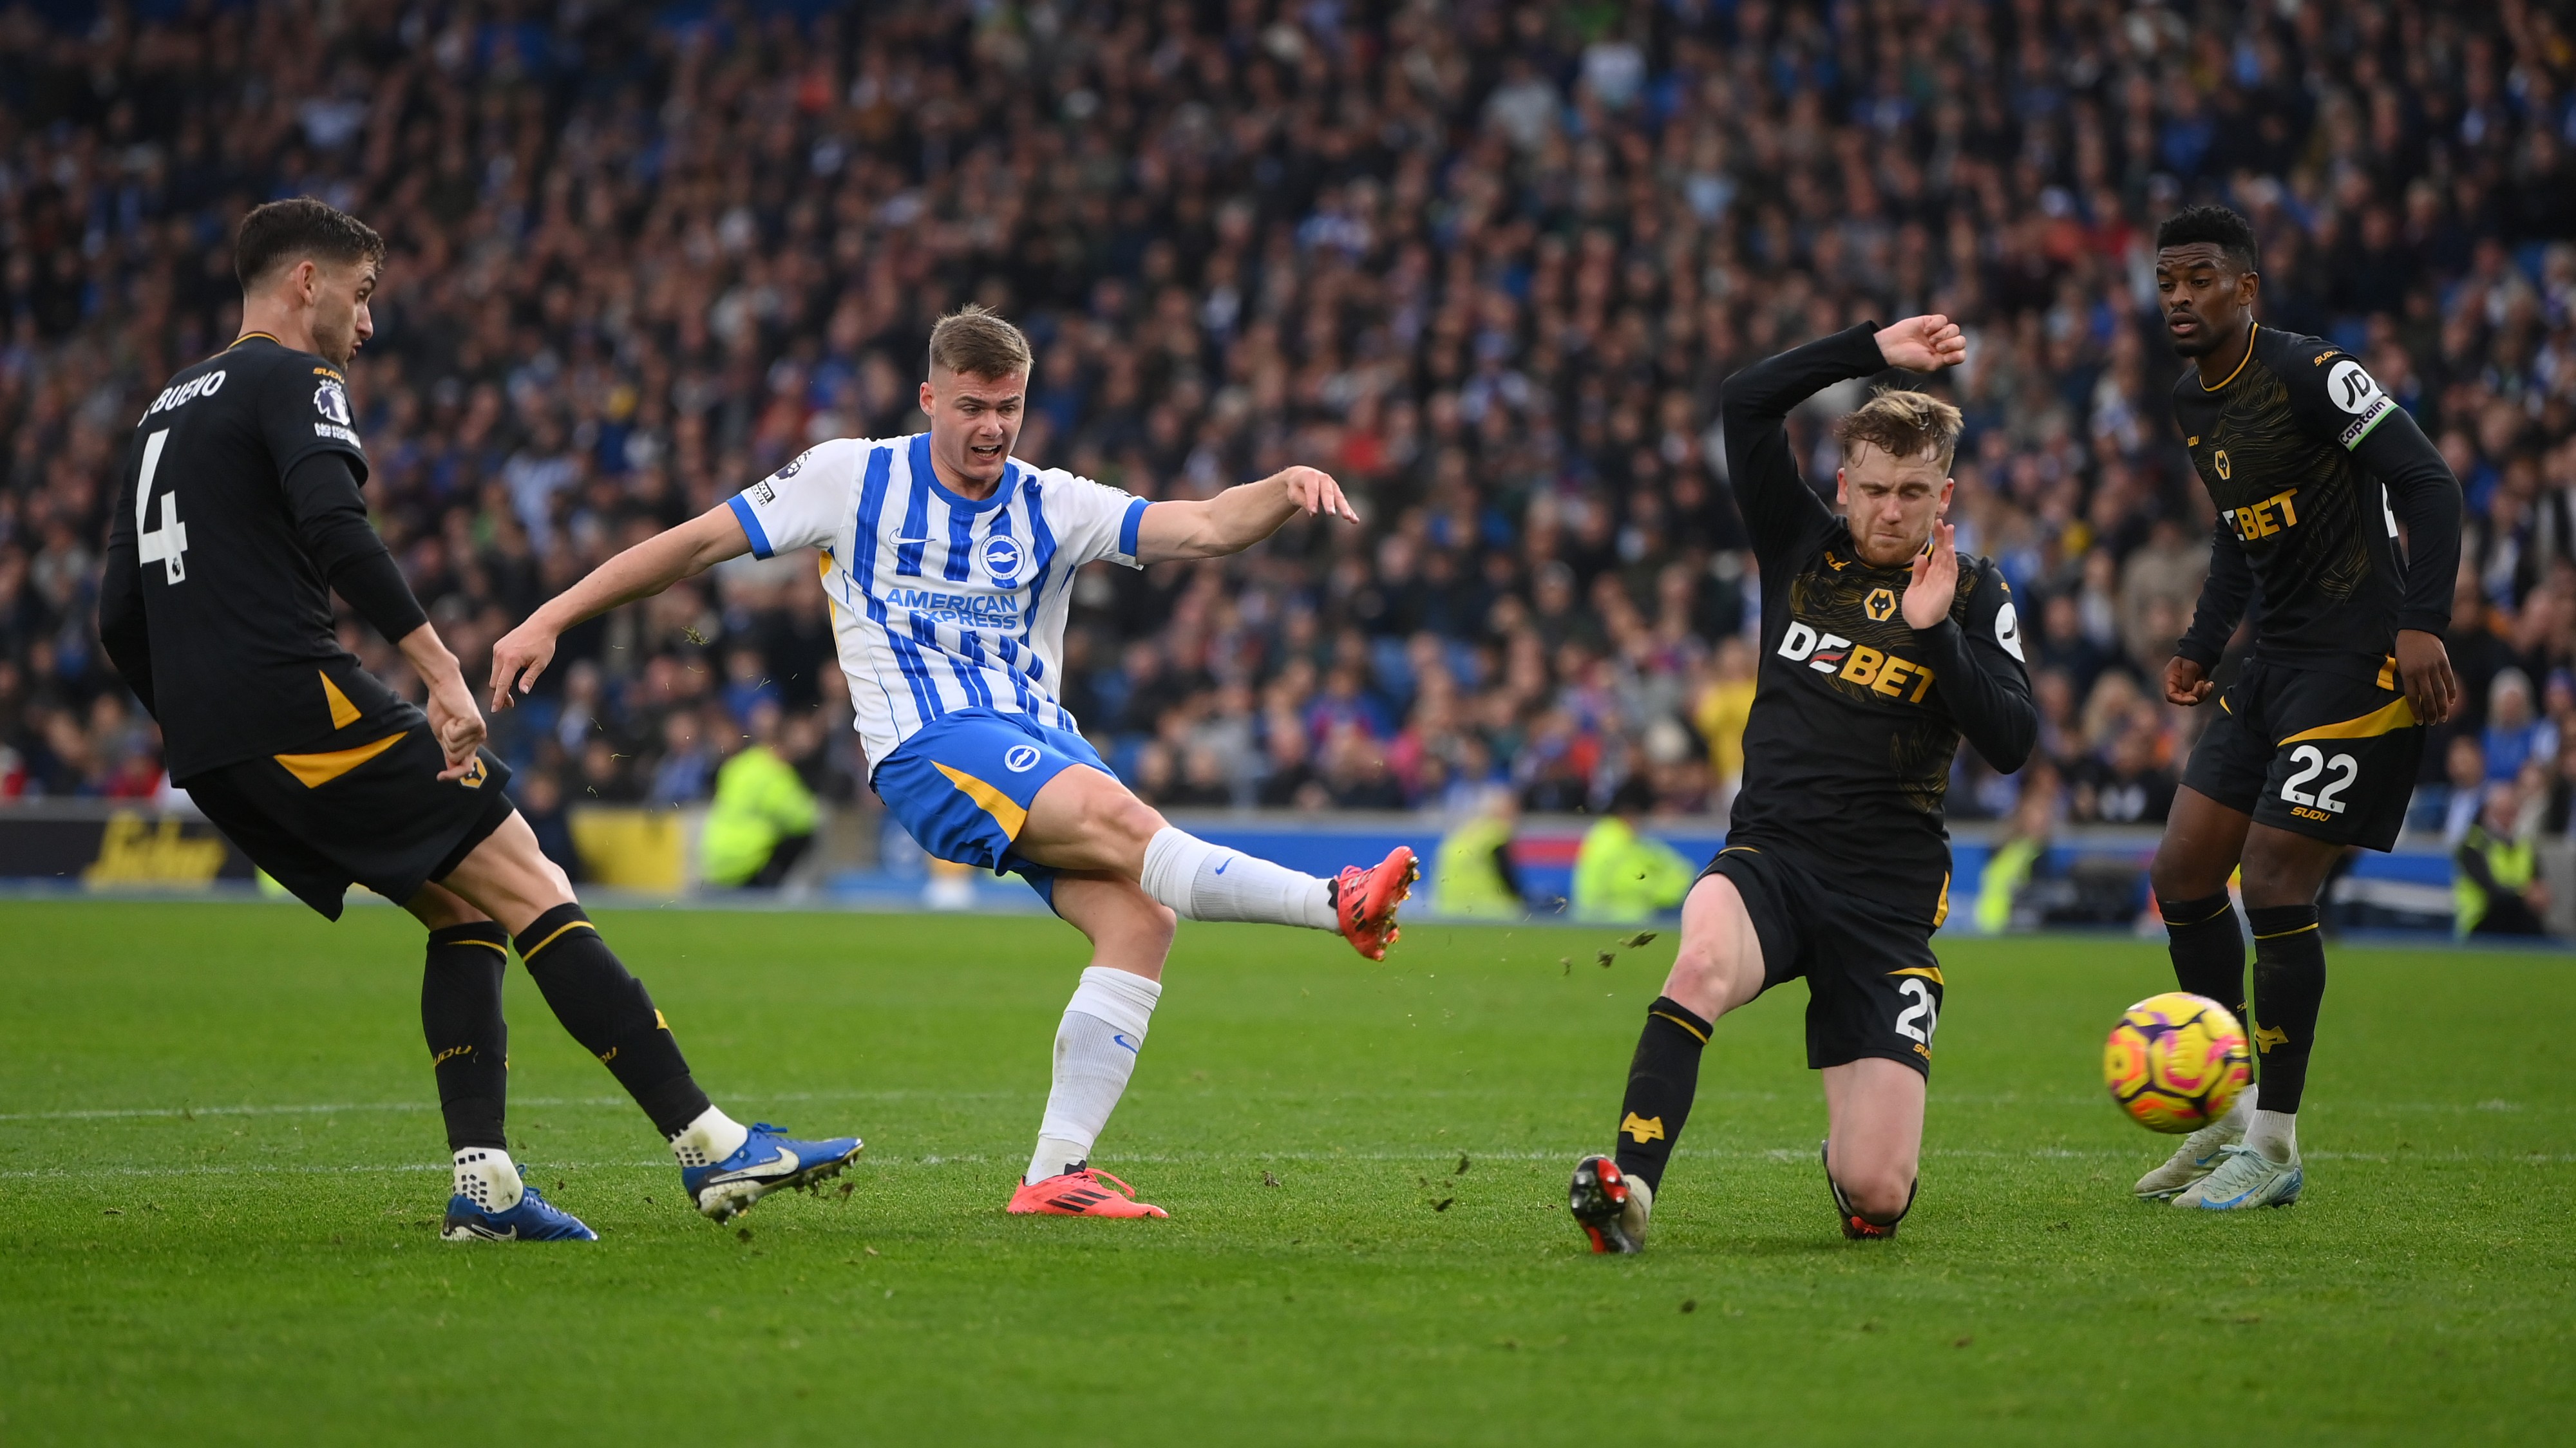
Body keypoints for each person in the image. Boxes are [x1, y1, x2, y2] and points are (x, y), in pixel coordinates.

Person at [488, 305, 1419, 1219]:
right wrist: (550, 617)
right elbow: (693, 545)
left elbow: (1207, 525)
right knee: (1128, 826)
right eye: (973, 406)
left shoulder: (1052, 499)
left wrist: (1285, 484)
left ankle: (1057, 1173)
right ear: (929, 397)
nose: (992, 427)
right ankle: (1333, 900)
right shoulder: (849, 477)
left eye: (1008, 407)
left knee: (1142, 921)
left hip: (1038, 741)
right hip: (931, 747)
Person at [94, 198, 859, 1243]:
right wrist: (437, 666)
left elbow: (115, 613)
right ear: (304, 281)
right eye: (362, 296)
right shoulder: (292, 377)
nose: (368, 326)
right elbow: (334, 524)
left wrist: (192, 723)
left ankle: (486, 1186)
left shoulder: (160, 414)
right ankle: (713, 1145)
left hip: (217, 743)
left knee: (462, 907)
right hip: (296, 700)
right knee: (530, 875)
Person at [1567, 315, 2035, 1252]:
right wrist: (1870, 349)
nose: (1890, 512)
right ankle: (1631, 1194)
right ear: (1842, 487)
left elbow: (2015, 741)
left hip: (1885, 902)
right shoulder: (1799, 549)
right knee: (1696, 961)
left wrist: (1937, 633)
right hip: (1771, 862)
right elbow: (1744, 399)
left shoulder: (1976, 596)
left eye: (1912, 494)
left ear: (1943, 497)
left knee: (1877, 1199)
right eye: (1873, 491)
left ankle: (1854, 1155)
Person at [2142, 205, 2463, 1211]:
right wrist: (2202, 642)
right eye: (2167, 283)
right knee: (2183, 872)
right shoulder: (2195, 403)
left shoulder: (2313, 374)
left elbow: (2429, 481)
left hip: (2360, 659)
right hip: (2273, 661)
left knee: (2274, 875)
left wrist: (2424, 622)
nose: (2181, 297)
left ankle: (2276, 1146)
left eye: (2200, 278)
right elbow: (2242, 535)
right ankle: (2229, 1117)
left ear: (2247, 289)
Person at [700, 701, 820, 889]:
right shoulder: (774, 771)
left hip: (716, 858)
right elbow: (804, 819)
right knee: (807, 834)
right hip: (746, 860)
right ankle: (775, 889)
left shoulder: (738, 764)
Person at [1569, 776, 1694, 923]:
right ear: (1631, 813)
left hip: (1591, 916)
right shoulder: (1617, 841)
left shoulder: (1606, 835)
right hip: (1611, 918)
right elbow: (1631, 883)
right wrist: (1674, 892)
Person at [2454, 782, 2549, 937]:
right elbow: (2489, 886)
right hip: (2481, 918)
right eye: (2501, 813)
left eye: (2511, 813)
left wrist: (2539, 894)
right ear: (2488, 813)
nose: (2507, 819)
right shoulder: (2474, 844)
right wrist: (2523, 894)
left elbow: (2536, 881)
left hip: (2519, 913)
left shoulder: (2524, 845)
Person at [1430, 785, 1524, 920]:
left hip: (1449, 912)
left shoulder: (1459, 835)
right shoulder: (1496, 835)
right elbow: (1507, 877)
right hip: (1490, 913)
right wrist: (1522, 902)